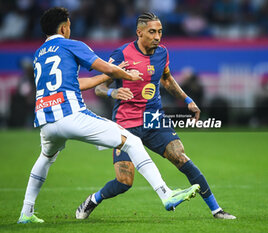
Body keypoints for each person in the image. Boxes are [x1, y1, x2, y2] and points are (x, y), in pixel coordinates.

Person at [17, 7, 199, 224]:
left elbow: (78, 83)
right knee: (131, 140)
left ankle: (26, 213)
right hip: (72, 115)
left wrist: (111, 75)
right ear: (65, 27)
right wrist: (126, 73)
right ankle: (166, 193)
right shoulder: (72, 45)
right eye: (70, 26)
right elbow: (107, 69)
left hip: (46, 120)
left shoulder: (39, 55)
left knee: (45, 159)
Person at [75, 12, 236, 220]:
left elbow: (167, 80)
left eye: (160, 31)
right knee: (124, 182)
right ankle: (94, 199)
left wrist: (188, 100)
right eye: (152, 32)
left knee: (181, 157)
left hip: (154, 120)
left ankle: (217, 210)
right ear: (139, 32)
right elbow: (100, 86)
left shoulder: (162, 53)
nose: (157, 36)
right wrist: (112, 92)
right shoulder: (122, 54)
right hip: (125, 124)